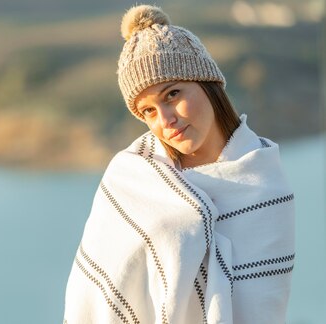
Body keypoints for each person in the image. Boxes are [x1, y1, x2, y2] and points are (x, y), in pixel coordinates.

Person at [63, 5, 295, 324]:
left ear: (206, 83)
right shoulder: (130, 178)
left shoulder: (265, 185)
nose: (166, 120)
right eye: (148, 111)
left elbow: (264, 306)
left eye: (172, 94)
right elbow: (92, 293)